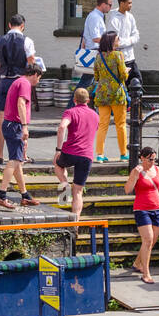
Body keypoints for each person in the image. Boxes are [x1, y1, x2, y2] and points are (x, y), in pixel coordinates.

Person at [0, 62, 43, 210]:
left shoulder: (18, 81)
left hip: (9, 124)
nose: (38, 81)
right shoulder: (25, 84)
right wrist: (25, 126)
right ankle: (1, 195)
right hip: (15, 125)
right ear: (34, 74)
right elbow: (21, 103)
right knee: (14, 160)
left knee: (18, 161)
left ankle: (25, 195)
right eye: (39, 78)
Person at [125, 147, 159, 284]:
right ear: (142, 158)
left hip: (157, 208)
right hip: (142, 209)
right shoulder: (137, 171)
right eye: (150, 159)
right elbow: (127, 189)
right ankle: (146, 273)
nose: (153, 162)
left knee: (152, 241)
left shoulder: (157, 170)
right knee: (148, 239)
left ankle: (137, 263)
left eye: (154, 159)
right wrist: (134, 175)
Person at [0, 14, 35, 165]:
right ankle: (22, 154)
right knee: (22, 115)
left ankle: (0, 155)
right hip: (20, 80)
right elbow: (31, 62)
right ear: (22, 25)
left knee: (3, 117)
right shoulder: (27, 41)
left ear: (9, 25)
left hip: (4, 81)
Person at [53, 87, 99, 222]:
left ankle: (65, 185)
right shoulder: (95, 115)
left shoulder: (70, 112)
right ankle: (76, 223)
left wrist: (58, 150)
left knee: (57, 163)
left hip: (70, 152)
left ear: (74, 100)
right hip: (87, 156)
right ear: (88, 100)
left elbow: (62, 127)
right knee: (78, 191)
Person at [92, 30, 129, 162]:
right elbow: (123, 76)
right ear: (112, 41)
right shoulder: (118, 55)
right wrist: (126, 72)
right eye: (117, 39)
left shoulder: (98, 57)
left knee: (103, 125)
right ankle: (124, 153)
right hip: (117, 94)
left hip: (102, 94)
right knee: (121, 124)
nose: (119, 41)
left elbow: (96, 76)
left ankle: (100, 154)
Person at [75, 0, 112, 93]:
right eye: (110, 5)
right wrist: (111, 42)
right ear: (103, 4)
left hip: (93, 52)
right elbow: (95, 38)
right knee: (85, 83)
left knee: (88, 82)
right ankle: (73, 106)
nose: (110, 7)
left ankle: (78, 105)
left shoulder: (96, 16)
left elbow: (85, 36)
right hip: (93, 53)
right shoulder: (95, 17)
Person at [105, 0, 142, 87]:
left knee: (138, 82)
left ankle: (135, 101)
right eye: (129, 3)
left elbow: (136, 35)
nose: (131, 5)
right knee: (122, 85)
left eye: (131, 3)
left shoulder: (130, 17)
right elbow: (114, 41)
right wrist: (130, 41)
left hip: (131, 58)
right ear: (122, 3)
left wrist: (126, 41)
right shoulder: (114, 19)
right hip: (120, 59)